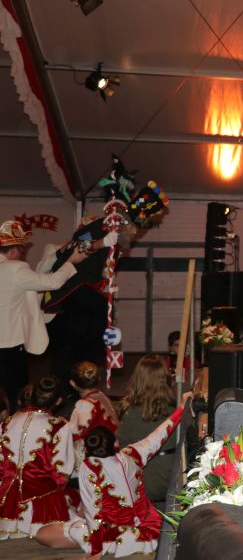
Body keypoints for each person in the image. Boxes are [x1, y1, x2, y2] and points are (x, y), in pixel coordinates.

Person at [60, 392, 191, 557]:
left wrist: (96, 551)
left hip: (118, 535)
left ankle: (105, 546)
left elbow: (92, 512)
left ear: (86, 450)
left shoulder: (90, 468)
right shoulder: (134, 454)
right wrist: (181, 408)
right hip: (151, 529)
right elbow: (160, 434)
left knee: (66, 529)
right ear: (115, 442)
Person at [0, 220, 86, 409]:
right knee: (17, 394)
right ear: (13, 250)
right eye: (22, 251)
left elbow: (34, 279)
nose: (22, 256)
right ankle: (17, 424)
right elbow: (52, 283)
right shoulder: (16, 268)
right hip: (9, 344)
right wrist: (70, 263)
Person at [0, 376, 75, 541]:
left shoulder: (6, 423)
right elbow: (62, 474)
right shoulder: (59, 427)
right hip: (41, 503)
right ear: (59, 401)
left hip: (5, 501)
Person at [116, 355, 178, 505]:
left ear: (138, 378)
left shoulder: (131, 412)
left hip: (143, 481)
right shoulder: (176, 409)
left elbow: (121, 447)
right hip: (172, 477)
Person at [67, 360, 120, 467]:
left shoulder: (84, 404)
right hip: (113, 447)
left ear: (72, 383)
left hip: (101, 453)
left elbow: (74, 433)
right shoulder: (102, 396)